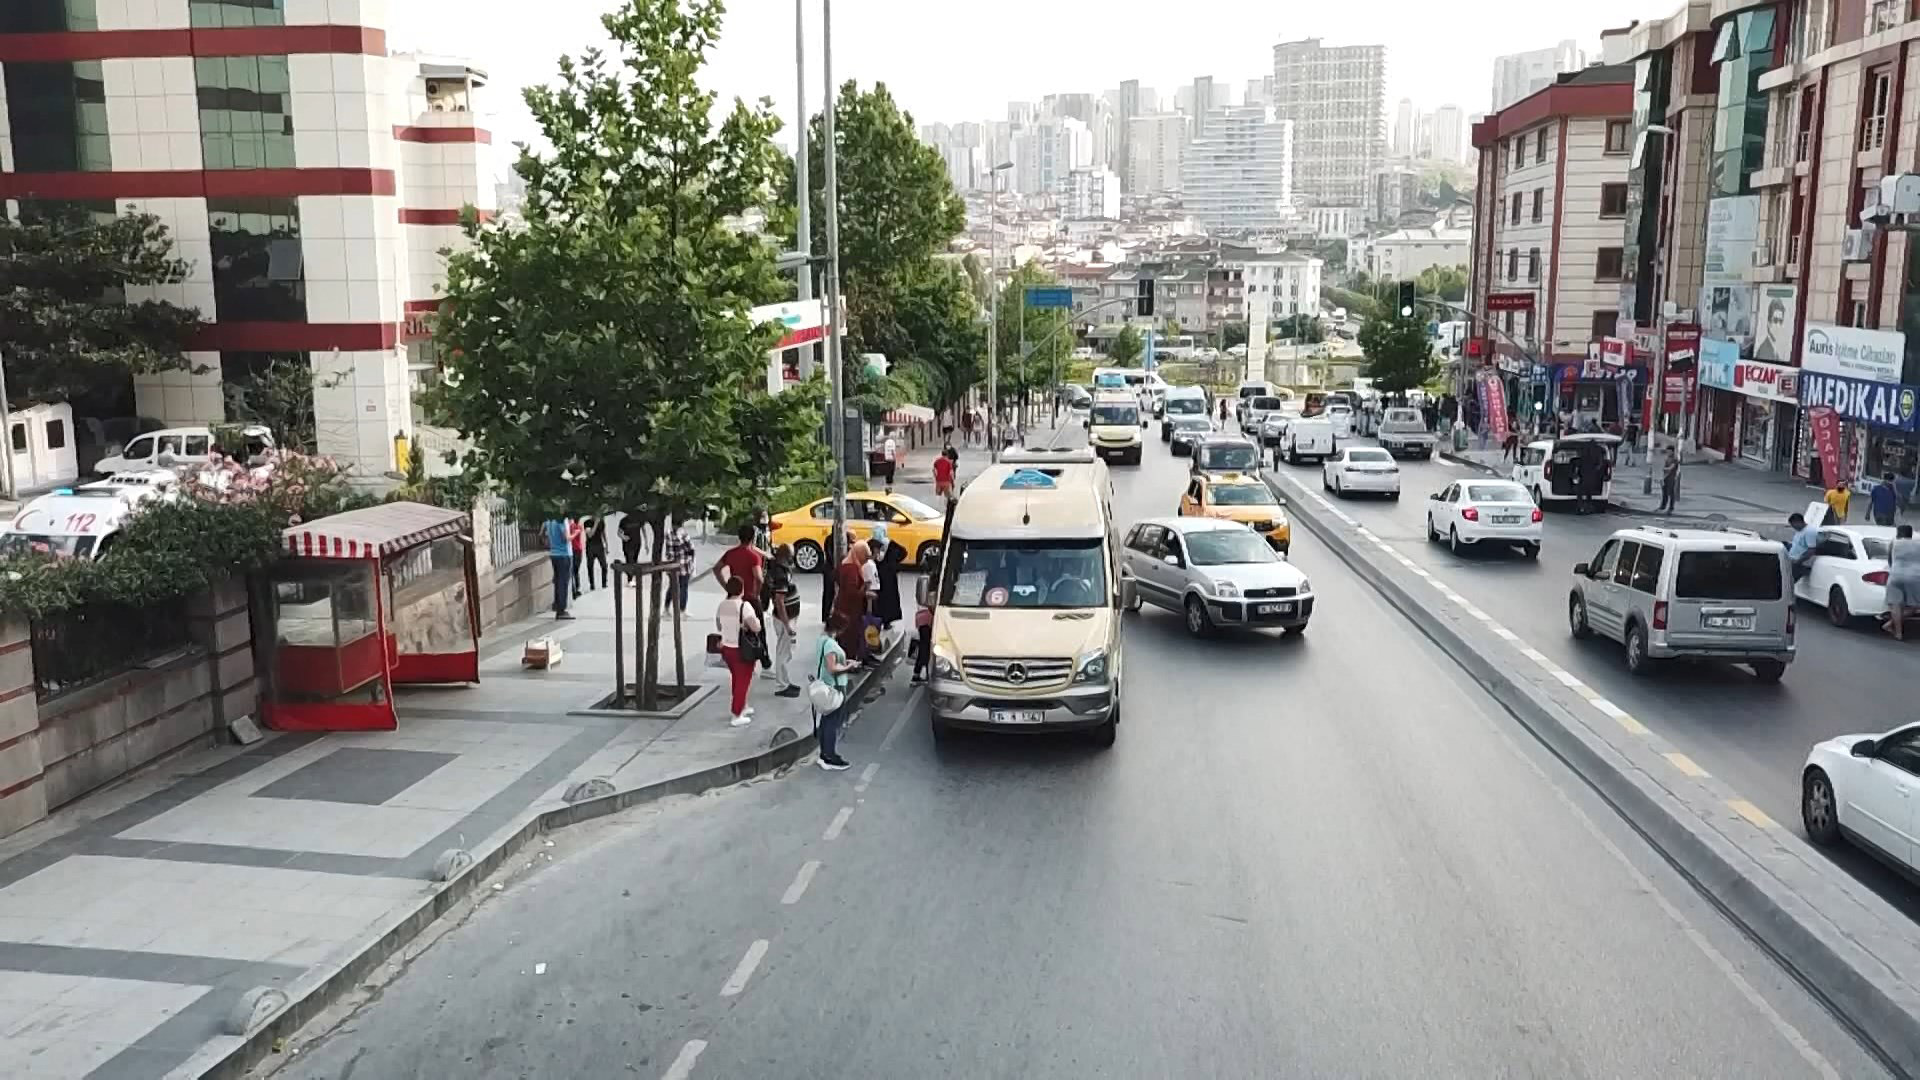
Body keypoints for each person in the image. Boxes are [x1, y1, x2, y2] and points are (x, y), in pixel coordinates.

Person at [812, 611, 860, 771]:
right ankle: (829, 756)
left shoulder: (822, 640)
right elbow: (832, 668)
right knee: (833, 722)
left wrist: (844, 662)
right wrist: (849, 666)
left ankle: (825, 753)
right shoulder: (831, 644)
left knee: (826, 721)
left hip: (825, 684)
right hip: (835, 686)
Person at [714, 576, 761, 727]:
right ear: (741, 589)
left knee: (736, 678)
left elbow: (719, 626)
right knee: (743, 681)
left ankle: (743, 706)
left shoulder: (722, 605)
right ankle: (737, 714)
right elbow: (756, 627)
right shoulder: (744, 606)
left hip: (726, 648)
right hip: (742, 649)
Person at [765, 543, 801, 697]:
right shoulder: (780, 574)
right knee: (783, 652)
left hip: (787, 616)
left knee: (785, 651)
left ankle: (785, 681)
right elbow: (779, 601)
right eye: (791, 556)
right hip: (784, 618)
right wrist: (787, 625)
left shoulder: (779, 569)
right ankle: (782, 685)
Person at [832, 539, 871, 662]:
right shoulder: (852, 569)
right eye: (865, 556)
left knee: (844, 636)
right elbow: (851, 592)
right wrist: (865, 590)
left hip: (843, 605)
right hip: (850, 609)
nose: (865, 561)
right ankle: (849, 662)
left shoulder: (844, 562)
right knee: (850, 638)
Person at [1883, 525, 1920, 641]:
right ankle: (1889, 624)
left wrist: (1893, 569)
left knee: (1895, 605)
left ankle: (1898, 633)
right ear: (1910, 534)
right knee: (1915, 606)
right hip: (1914, 577)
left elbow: (1890, 560)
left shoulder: (1893, 543)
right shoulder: (1918, 544)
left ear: (1898, 533)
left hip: (1895, 576)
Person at [870, 525, 906, 630]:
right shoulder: (891, 544)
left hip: (875, 575)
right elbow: (903, 552)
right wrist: (894, 564)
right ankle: (887, 622)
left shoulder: (871, 543)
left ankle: (876, 621)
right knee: (889, 600)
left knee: (877, 600)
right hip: (889, 577)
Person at [911, 555, 939, 685]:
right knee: (927, 647)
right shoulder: (932, 580)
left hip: (920, 615)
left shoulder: (921, 579)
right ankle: (925, 674)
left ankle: (919, 673)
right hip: (929, 616)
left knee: (924, 645)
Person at [542, 517, 574, 620]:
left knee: (557, 580)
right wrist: (576, 533)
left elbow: (541, 534)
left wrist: (550, 544)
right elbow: (566, 538)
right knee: (562, 582)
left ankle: (556, 605)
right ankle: (561, 610)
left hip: (554, 554)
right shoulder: (560, 521)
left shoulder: (548, 521)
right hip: (563, 554)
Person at [664, 519, 695, 610]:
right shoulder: (684, 534)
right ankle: (682, 609)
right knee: (683, 587)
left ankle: (666, 608)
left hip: (671, 565)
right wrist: (692, 563)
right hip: (684, 564)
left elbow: (668, 550)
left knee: (672, 587)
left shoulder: (668, 534)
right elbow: (691, 549)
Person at [1787, 512, 1819, 582]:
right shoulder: (1800, 531)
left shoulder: (1809, 531)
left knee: (1788, 582)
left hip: (1801, 563)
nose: (1793, 527)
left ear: (1798, 522)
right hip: (1793, 560)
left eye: (1793, 525)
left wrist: (1798, 561)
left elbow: (1811, 550)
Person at [582, 516, 609, 591]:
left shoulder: (602, 522)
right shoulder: (587, 523)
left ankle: (604, 583)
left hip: (599, 546)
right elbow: (590, 535)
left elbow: (604, 534)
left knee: (604, 565)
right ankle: (592, 585)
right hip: (590, 547)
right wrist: (596, 523)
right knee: (590, 566)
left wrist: (606, 545)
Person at [567, 517, 586, 599]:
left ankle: (575, 589)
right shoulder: (576, 527)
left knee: (574, 571)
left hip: (576, 550)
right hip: (576, 550)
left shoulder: (575, 526)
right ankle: (576, 589)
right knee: (574, 571)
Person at [1659, 447, 1681, 515]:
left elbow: (1671, 468)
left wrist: (1665, 469)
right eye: (1667, 451)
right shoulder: (1667, 458)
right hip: (1666, 477)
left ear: (1672, 451)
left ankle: (1671, 507)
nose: (1668, 452)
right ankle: (1663, 506)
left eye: (1669, 451)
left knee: (1671, 493)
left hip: (1671, 478)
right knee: (1664, 493)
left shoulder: (1674, 459)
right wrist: (1662, 478)